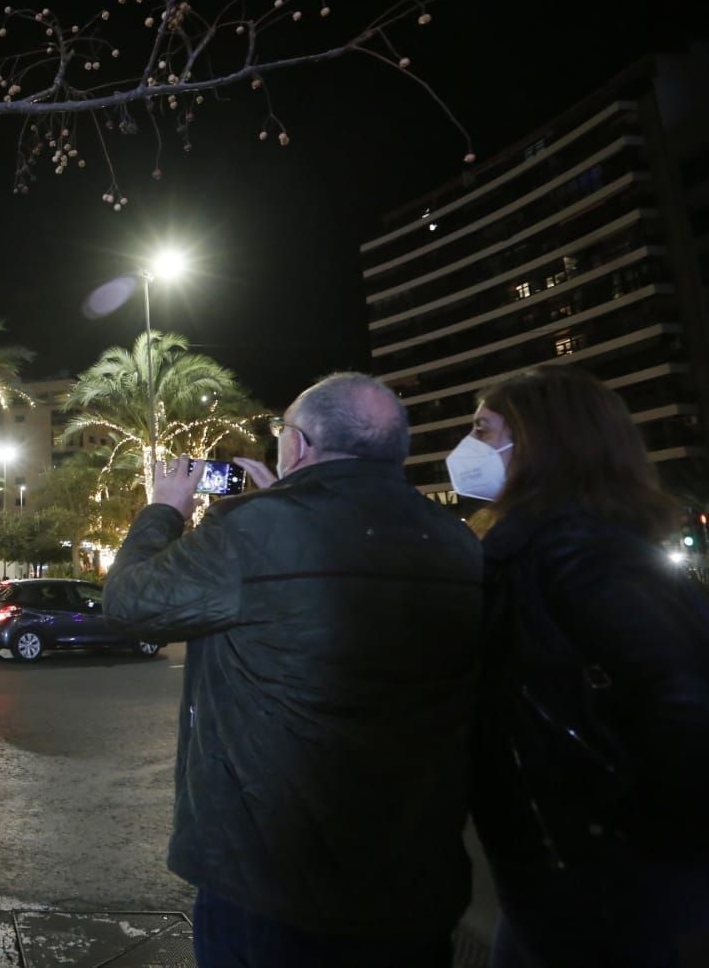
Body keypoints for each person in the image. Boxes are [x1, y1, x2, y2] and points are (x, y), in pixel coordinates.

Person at [103, 372, 483, 967]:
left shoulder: (252, 529)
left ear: (299, 445)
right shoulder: (457, 540)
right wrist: (285, 500)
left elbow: (129, 603)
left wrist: (162, 510)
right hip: (413, 875)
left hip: (273, 881)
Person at [457, 366, 709, 968]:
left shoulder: (586, 557)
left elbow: (683, 716)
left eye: (483, 430)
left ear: (542, 440)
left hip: (600, 881)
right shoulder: (529, 546)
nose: (468, 448)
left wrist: (618, 847)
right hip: (554, 867)